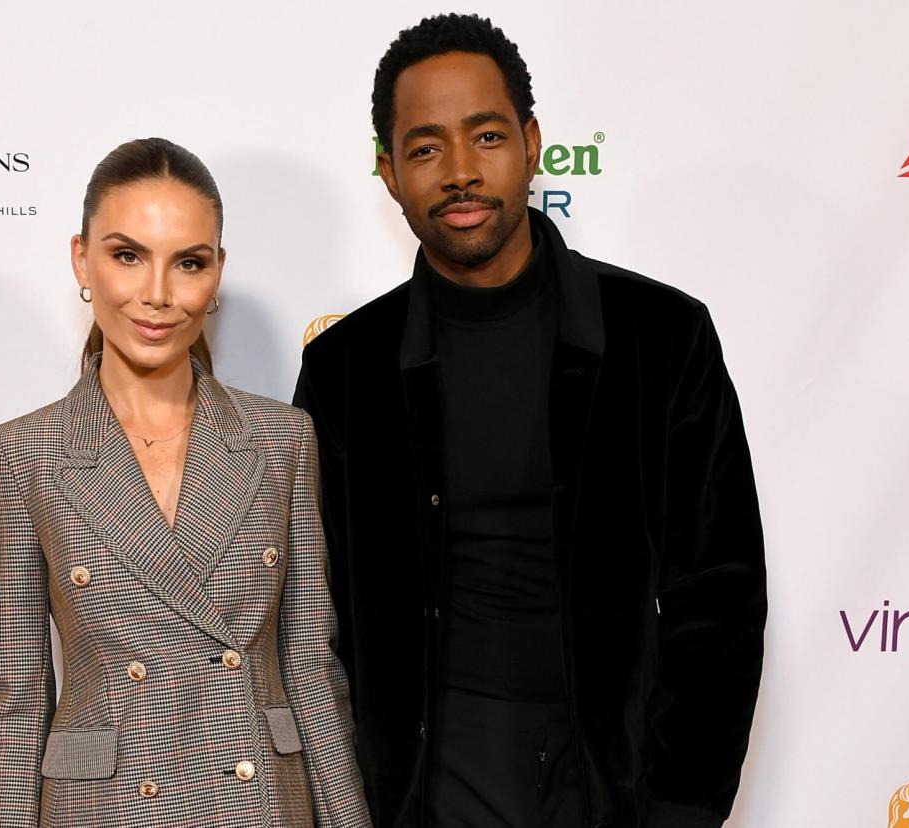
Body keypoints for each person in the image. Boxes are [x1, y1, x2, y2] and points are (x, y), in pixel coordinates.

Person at [293, 14, 767, 828]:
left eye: (485, 135)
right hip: (426, 786)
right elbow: (316, 616)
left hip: (612, 781)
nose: (461, 172)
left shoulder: (660, 336)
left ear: (532, 140)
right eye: (426, 146)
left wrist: (680, 805)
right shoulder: (347, 370)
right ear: (388, 170)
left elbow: (719, 595)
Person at [0, 137, 370, 827]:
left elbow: (311, 671)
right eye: (127, 256)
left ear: (216, 273)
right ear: (82, 260)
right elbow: (17, 702)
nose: (157, 295)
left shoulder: (281, 440)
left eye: (188, 263)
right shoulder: (23, 454)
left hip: (258, 805)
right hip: (108, 809)